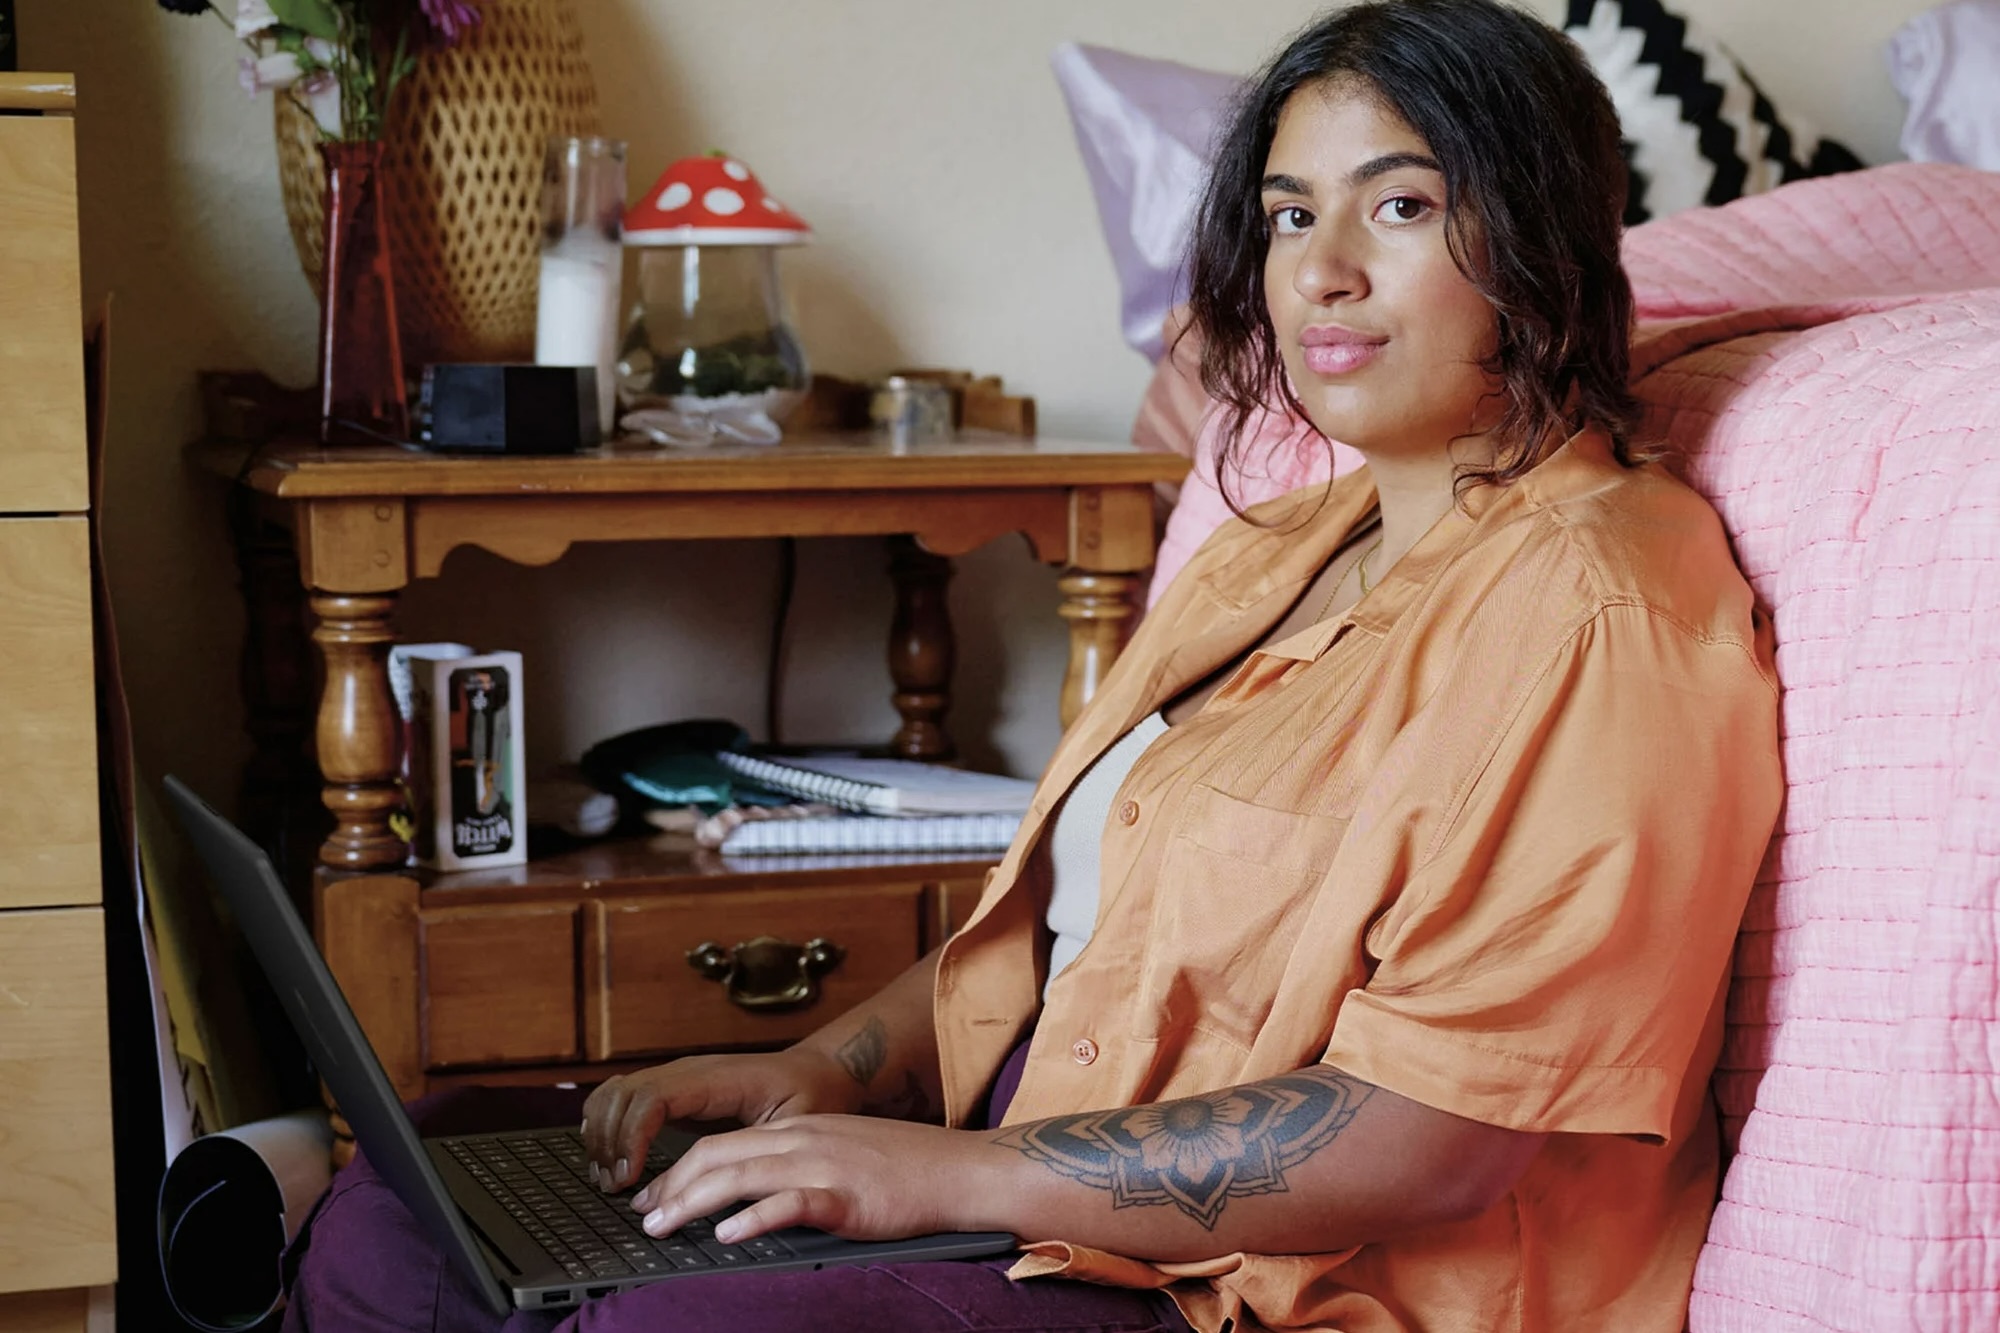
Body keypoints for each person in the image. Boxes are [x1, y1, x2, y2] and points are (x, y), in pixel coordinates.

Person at [281, 2, 1782, 1330]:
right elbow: (1097, 928)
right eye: (1284, 214)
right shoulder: (1283, 544)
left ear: (1541, 238)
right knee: (420, 1188)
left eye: (1397, 206)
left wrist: (940, 1171)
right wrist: (833, 1067)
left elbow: (1440, 1135)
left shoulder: (1603, 611)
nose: (1318, 271)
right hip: (1034, 1165)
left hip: (1258, 1283)